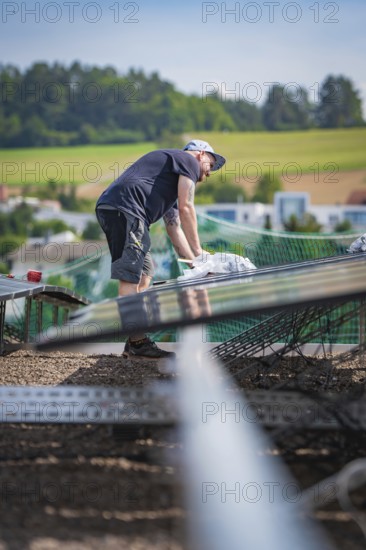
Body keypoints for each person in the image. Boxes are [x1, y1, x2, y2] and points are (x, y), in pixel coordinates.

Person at [95, 139, 226, 358]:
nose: (210, 172)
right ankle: (138, 342)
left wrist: (196, 264)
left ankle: (135, 337)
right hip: (127, 209)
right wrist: (199, 250)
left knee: (145, 274)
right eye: (211, 165)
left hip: (122, 210)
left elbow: (174, 228)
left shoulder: (170, 182)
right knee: (130, 279)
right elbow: (187, 207)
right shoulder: (188, 161)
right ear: (201, 154)